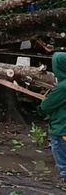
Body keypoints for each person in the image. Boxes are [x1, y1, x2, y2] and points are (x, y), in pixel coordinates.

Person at [40, 52, 66, 185]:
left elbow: (46, 106)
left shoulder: (63, 87)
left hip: (61, 129)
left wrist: (45, 101)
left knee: (64, 166)